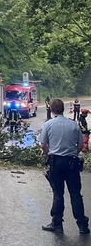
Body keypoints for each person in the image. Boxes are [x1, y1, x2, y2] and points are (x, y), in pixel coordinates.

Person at [39, 98, 89, 234]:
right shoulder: (73, 125)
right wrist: (72, 153)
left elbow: (43, 145)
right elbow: (80, 145)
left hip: (56, 163)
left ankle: (57, 224)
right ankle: (82, 225)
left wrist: (49, 155)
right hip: (71, 163)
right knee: (75, 194)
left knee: (58, 194)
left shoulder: (48, 125)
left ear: (53, 110)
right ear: (63, 109)